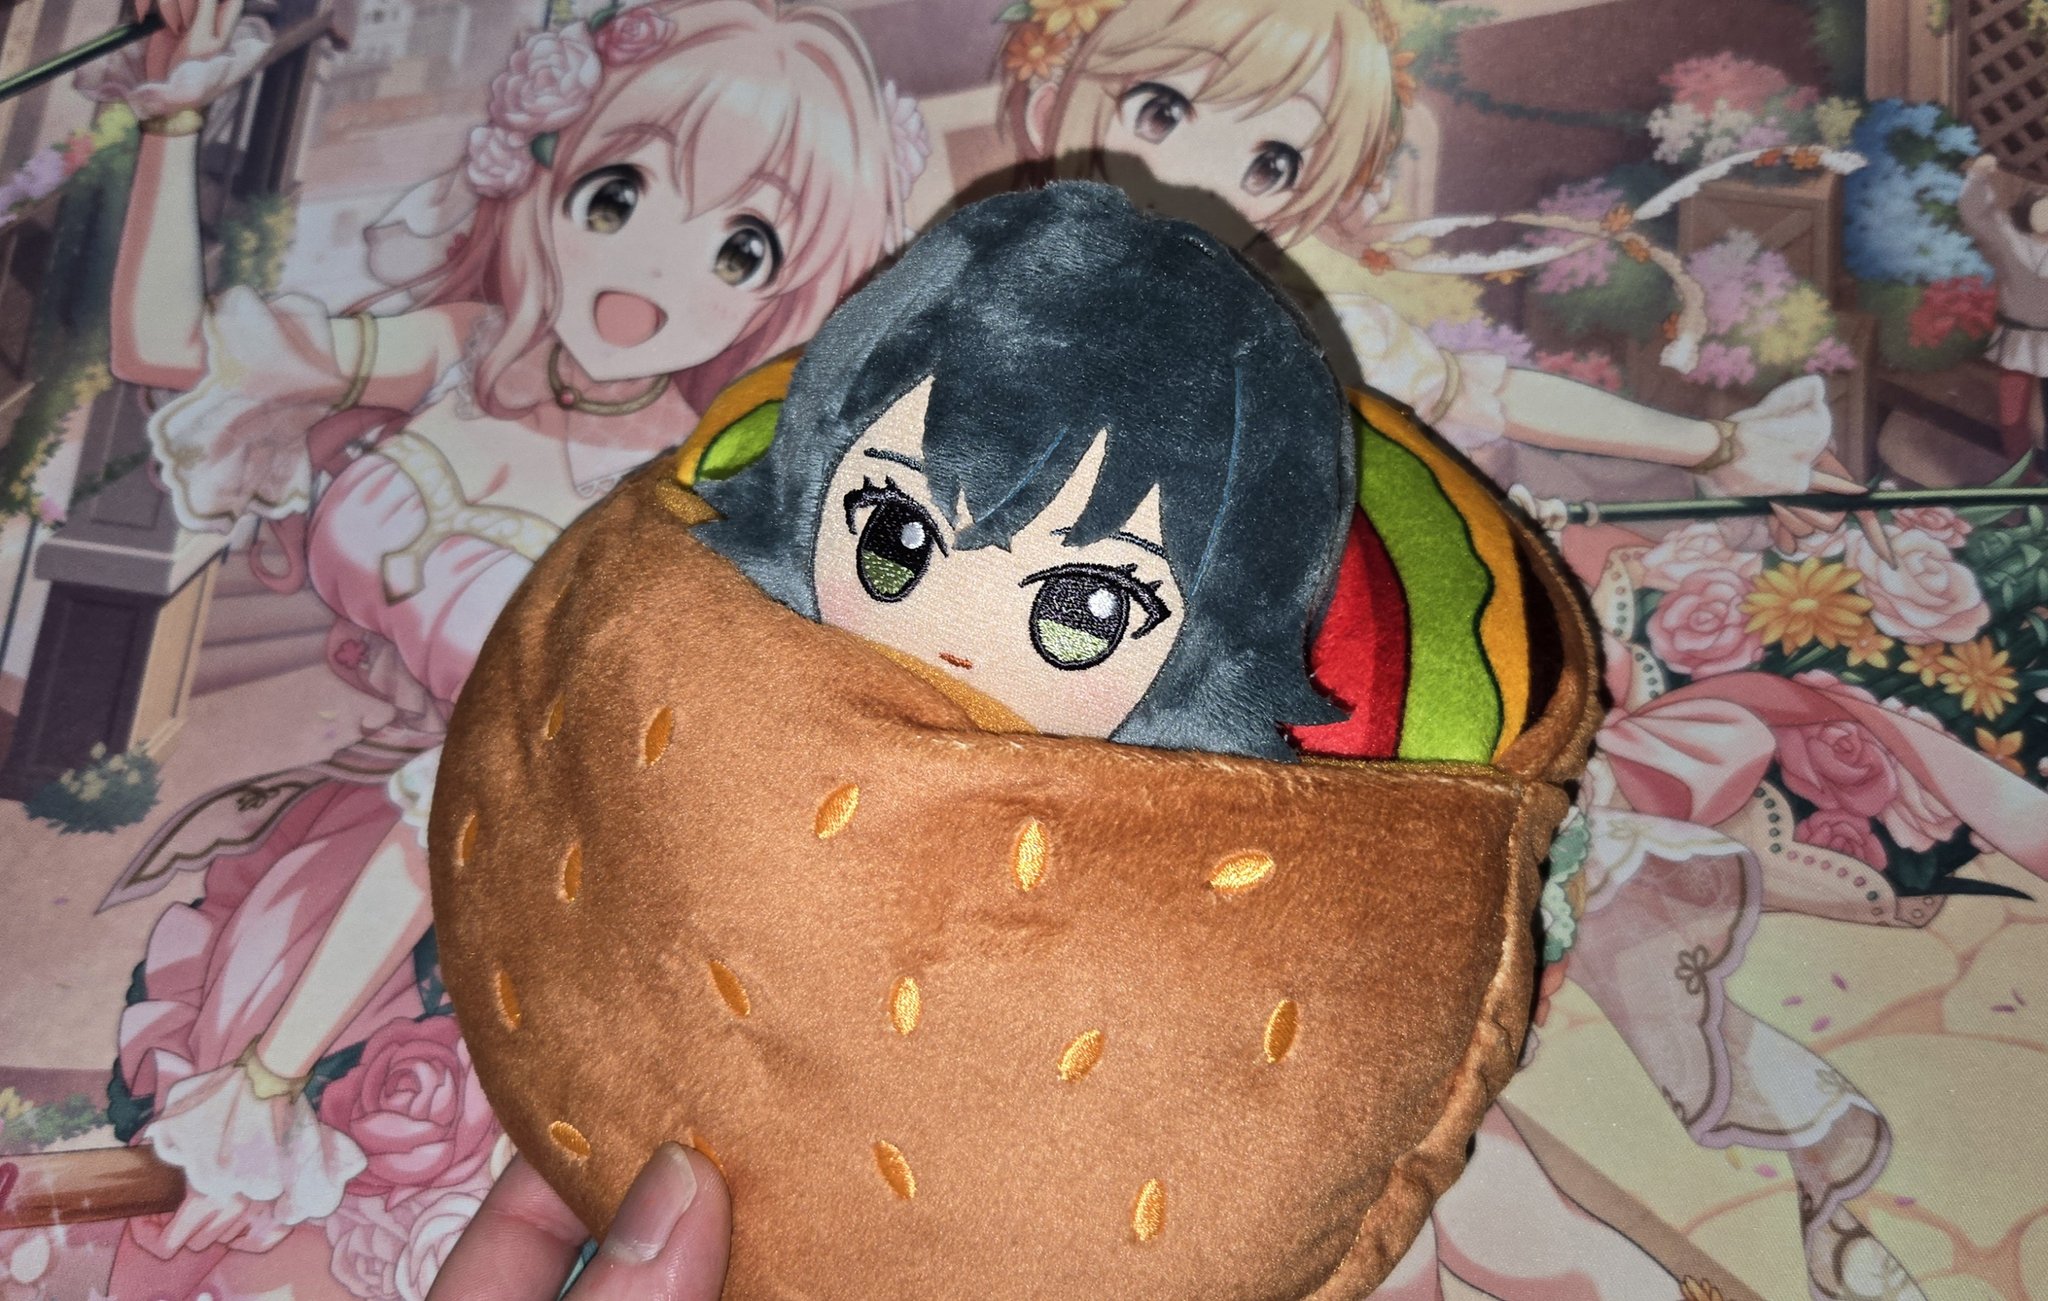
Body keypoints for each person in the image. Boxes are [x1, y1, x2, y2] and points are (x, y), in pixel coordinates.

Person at [80, 0, 912, 1295]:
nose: (651, 269)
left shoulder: (687, 499)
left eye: (741, 245)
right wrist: (174, 118)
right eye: (620, 192)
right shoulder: (466, 354)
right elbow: (167, 350)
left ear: (792, 294)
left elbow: (479, 797)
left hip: (475, 909)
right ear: (546, 164)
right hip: (335, 849)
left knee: (300, 1218)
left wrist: (270, 1076)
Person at [1960, 152, 2048, 467]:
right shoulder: (2012, 241)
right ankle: (2020, 471)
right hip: (2019, 339)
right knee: (2012, 415)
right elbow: (1978, 216)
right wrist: (1978, 177)